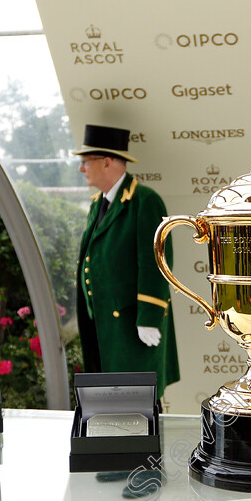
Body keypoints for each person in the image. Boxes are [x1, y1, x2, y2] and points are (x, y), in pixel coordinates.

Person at [74, 124, 179, 405]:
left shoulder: (144, 201)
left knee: (139, 401)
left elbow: (156, 261)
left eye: (86, 162)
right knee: (112, 403)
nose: (82, 169)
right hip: (104, 324)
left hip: (132, 324)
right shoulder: (99, 204)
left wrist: (150, 317)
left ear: (106, 162)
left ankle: (147, 450)